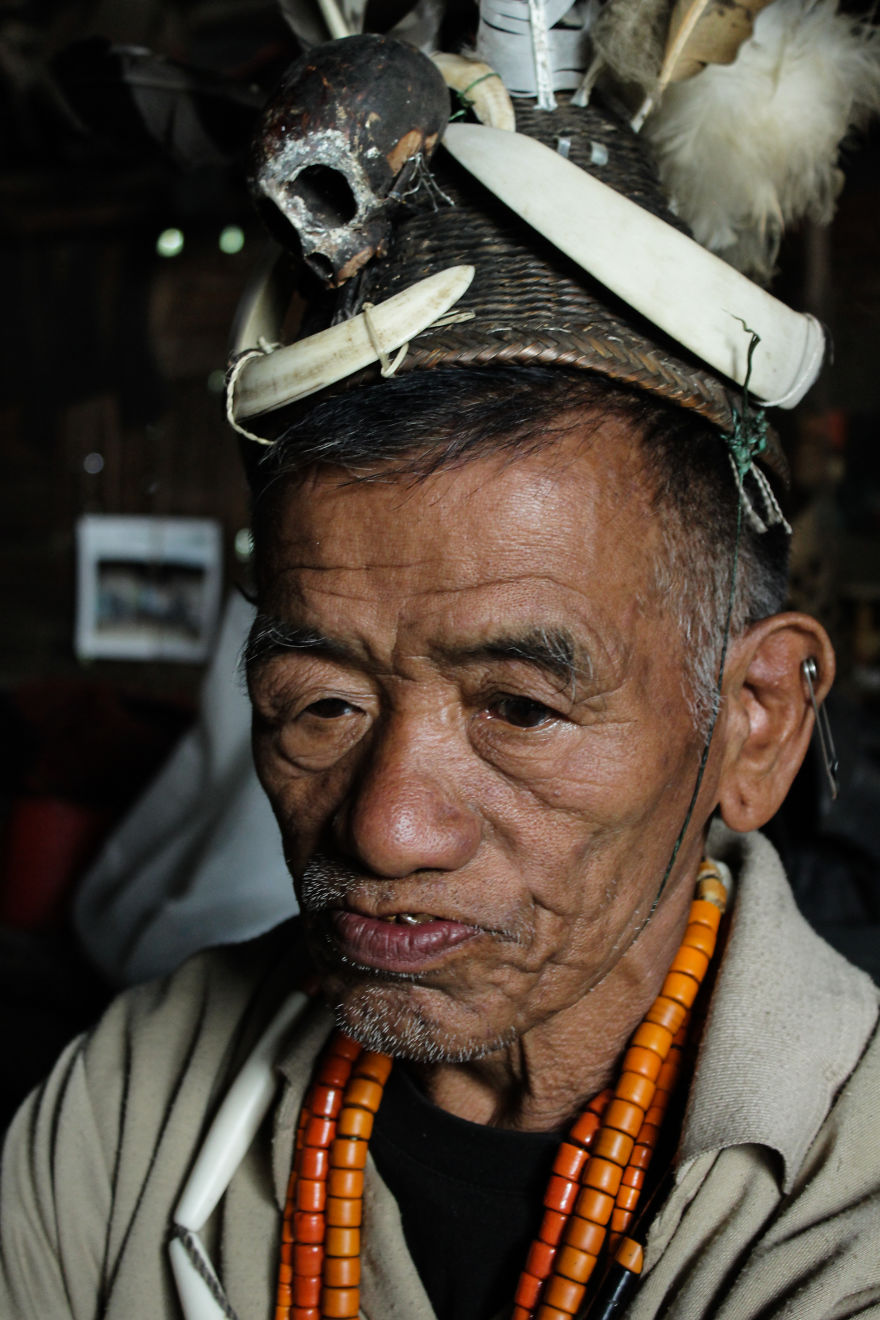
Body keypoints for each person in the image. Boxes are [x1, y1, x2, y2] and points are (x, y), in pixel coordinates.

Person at [3, 23, 880, 1320]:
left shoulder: (849, 1203)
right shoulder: (130, 1100)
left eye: (520, 708)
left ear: (751, 724)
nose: (385, 823)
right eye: (322, 704)